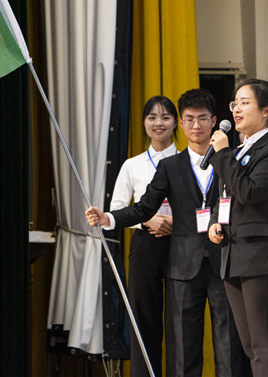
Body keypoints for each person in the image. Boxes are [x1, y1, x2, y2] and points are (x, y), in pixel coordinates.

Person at [86, 89, 245, 377]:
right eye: (189, 119)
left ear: (214, 122)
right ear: (181, 124)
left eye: (202, 119)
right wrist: (109, 217)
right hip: (183, 265)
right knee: (183, 347)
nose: (196, 126)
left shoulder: (230, 161)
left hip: (224, 260)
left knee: (228, 343)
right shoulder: (170, 166)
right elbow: (144, 207)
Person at [207, 78, 268, 377]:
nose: (236, 109)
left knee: (263, 344)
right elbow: (225, 196)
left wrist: (222, 154)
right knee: (249, 346)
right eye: (234, 103)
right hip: (233, 253)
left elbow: (248, 192)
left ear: (266, 110)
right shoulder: (238, 150)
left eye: (245, 103)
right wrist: (215, 222)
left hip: (261, 255)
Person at [108, 96, 177, 377]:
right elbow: (116, 209)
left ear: (176, 123)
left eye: (165, 117)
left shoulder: (188, 161)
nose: (158, 123)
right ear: (144, 123)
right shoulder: (132, 165)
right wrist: (147, 219)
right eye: (152, 117)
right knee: (143, 319)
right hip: (144, 244)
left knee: (179, 320)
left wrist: (174, 223)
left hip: (180, 243)